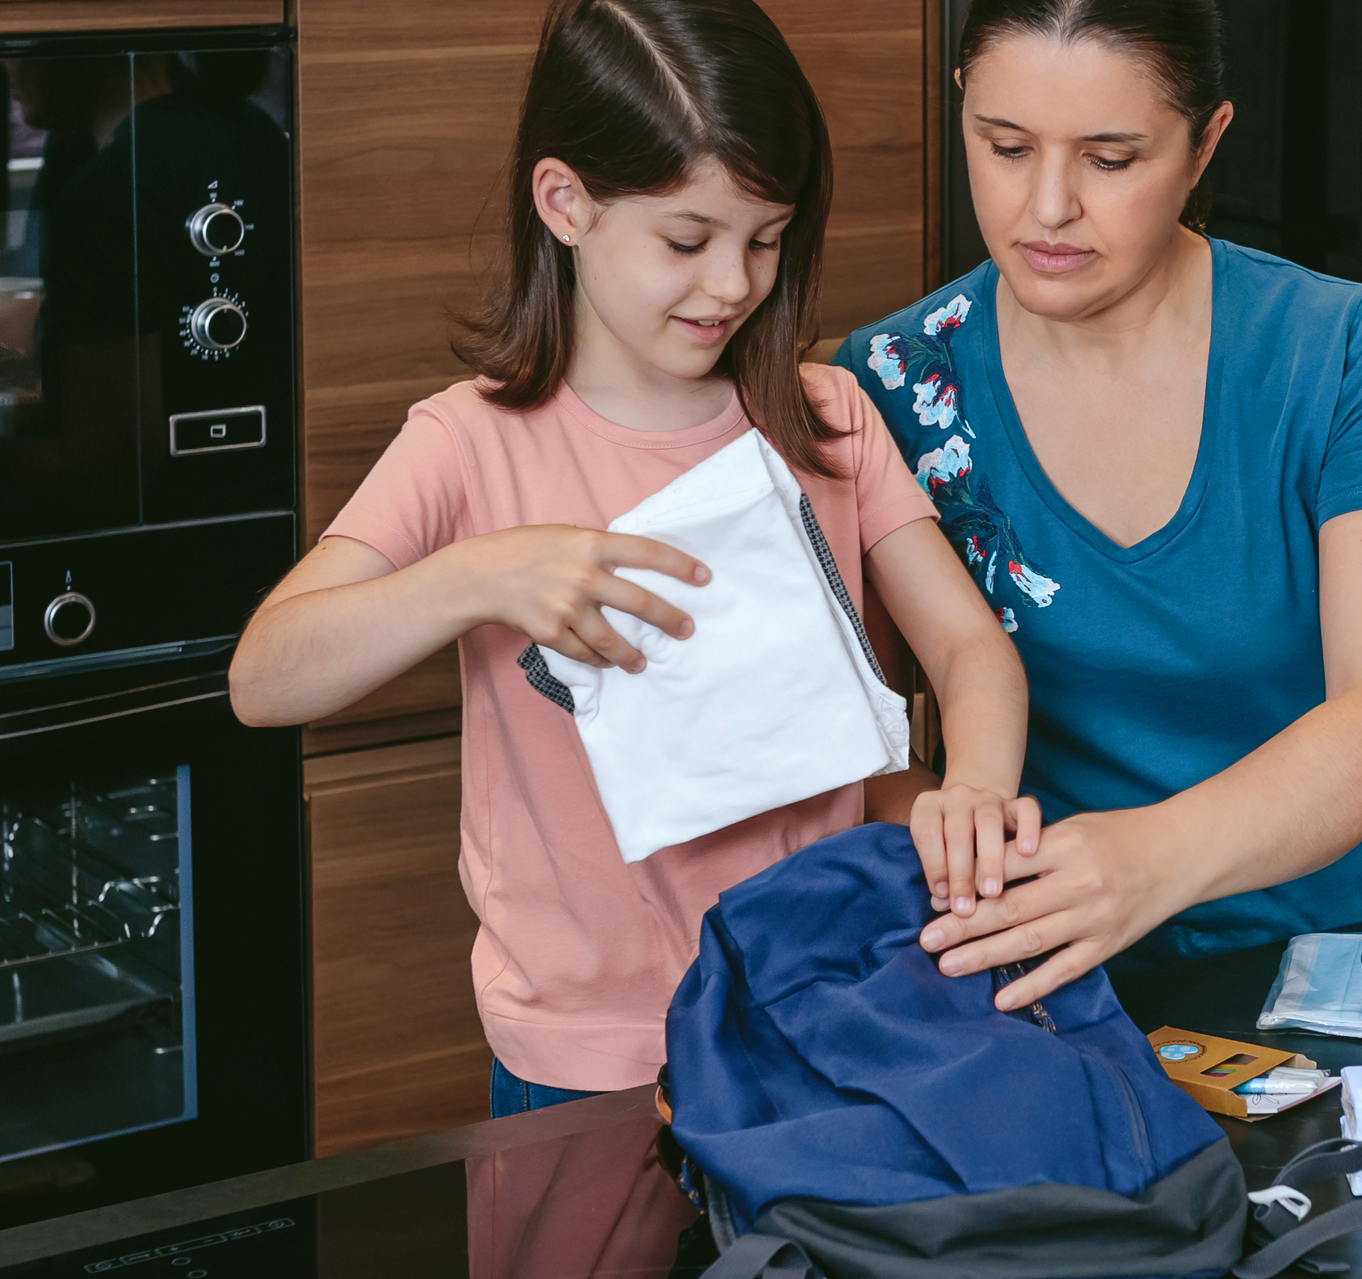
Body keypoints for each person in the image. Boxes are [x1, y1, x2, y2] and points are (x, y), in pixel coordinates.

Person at [228, 0, 1035, 1115]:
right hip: (585, 1051)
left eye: (764, 239)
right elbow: (265, 678)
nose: (732, 284)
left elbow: (969, 650)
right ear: (564, 203)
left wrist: (974, 790)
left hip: (824, 1003)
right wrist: (475, 575)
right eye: (686, 241)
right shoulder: (466, 442)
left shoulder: (829, 419)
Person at [835, 0, 1362, 1011]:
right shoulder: (890, 383)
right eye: (1005, 147)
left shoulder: (1337, 350)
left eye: (1109, 159)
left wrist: (1145, 861)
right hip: (1049, 984)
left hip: (1337, 979)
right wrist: (967, 843)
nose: (1046, 207)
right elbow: (855, 749)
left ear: (1205, 143)